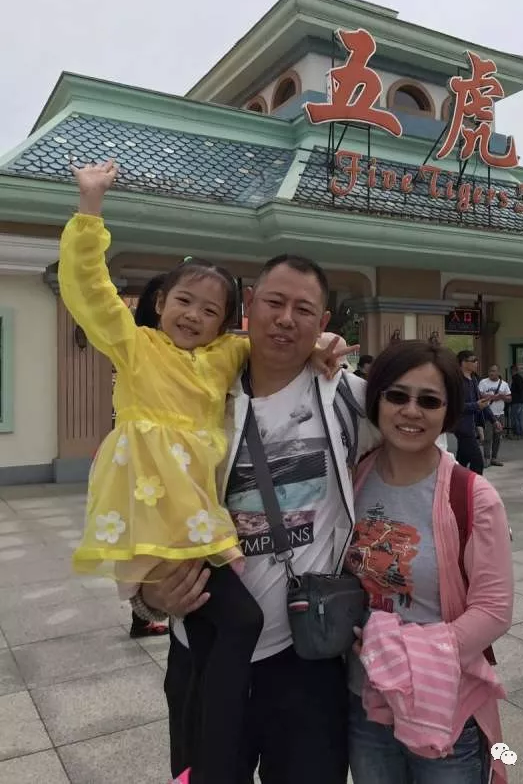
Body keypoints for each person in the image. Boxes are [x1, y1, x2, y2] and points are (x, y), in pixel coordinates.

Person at [58, 162, 342, 784]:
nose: (192, 315)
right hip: (160, 518)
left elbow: (290, 340)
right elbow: (89, 290)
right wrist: (90, 209)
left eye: (209, 309)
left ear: (225, 321)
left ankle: (210, 763)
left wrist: (325, 346)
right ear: (159, 303)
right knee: (236, 622)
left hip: (272, 621)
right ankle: (211, 765)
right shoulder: (137, 349)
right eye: (183, 301)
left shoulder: (228, 362)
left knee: (231, 629)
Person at [137, 253, 379, 784]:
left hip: (305, 656)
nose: (286, 319)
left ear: (322, 322)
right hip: (202, 649)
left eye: (304, 310)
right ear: (249, 305)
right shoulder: (195, 388)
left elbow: (418, 449)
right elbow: (142, 500)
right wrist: (148, 595)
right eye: (274, 302)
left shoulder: (347, 397)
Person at [345, 340, 513, 784]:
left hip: (444, 710)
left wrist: (409, 655)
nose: (411, 411)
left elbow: (494, 610)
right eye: (397, 396)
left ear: (448, 411)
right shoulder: (352, 477)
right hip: (366, 704)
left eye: (429, 401)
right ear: (377, 400)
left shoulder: (473, 496)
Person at [453, 351, 494, 475]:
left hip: (472, 425)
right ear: (463, 363)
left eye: (477, 360)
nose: (476, 363)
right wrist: (476, 405)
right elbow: (456, 406)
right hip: (462, 427)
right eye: (473, 360)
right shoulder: (457, 381)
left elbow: (480, 401)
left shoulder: (474, 379)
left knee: (462, 460)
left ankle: (452, 482)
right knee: (477, 461)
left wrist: (493, 420)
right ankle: (475, 486)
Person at [478, 366, 511, 467]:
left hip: (500, 414)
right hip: (488, 414)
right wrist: (492, 397)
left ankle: (494, 458)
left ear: (498, 372)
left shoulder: (504, 384)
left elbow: (509, 398)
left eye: (493, 371)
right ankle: (486, 458)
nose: (491, 373)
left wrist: (502, 396)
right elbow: (479, 395)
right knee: (488, 437)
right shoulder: (483, 382)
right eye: (490, 371)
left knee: (497, 437)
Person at [509, 364, 523, 439]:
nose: (510, 372)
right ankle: (520, 433)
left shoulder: (515, 378)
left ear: (513, 370)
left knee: (515, 417)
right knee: (519, 417)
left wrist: (511, 392)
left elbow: (518, 390)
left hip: (516, 401)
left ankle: (517, 433)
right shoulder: (520, 378)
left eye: (511, 371)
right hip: (520, 401)